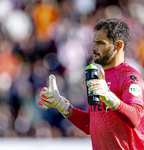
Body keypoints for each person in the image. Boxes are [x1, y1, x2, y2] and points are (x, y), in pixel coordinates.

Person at [38, 18, 144, 150]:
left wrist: (109, 97)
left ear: (118, 45)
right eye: (94, 43)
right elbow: (91, 125)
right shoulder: (99, 76)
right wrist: (61, 104)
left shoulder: (130, 77)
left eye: (100, 43)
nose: (94, 48)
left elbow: (135, 119)